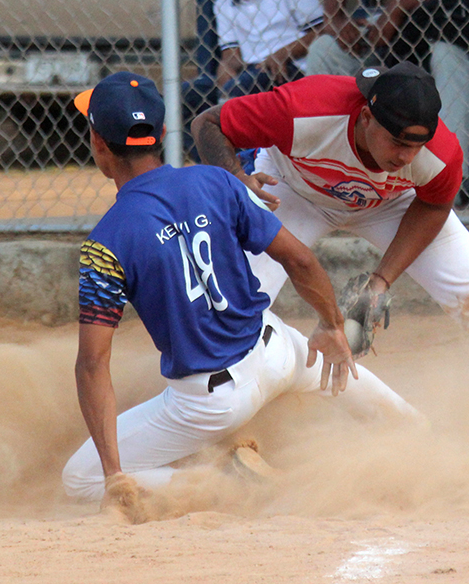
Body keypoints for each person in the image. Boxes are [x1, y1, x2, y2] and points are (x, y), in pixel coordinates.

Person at [62, 71, 419, 510]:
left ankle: (225, 483)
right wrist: (331, 325)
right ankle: (427, 440)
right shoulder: (216, 181)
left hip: (210, 404)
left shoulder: (105, 242)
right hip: (277, 352)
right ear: (163, 132)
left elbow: (92, 364)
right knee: (349, 385)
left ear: (98, 144)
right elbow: (300, 260)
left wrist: (114, 474)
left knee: (81, 479)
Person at [191, 62, 469, 393]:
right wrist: (238, 179)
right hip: (293, 189)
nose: (406, 156)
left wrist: (381, 281)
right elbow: (207, 123)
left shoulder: (440, 153)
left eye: (417, 146)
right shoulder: (306, 109)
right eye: (398, 142)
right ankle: (214, 405)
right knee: (232, 299)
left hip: (389, 202)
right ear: (367, 117)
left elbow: (433, 205)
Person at [306, 0, 469, 179]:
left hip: (458, 29)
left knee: (446, 56)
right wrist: (335, 18)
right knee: (324, 49)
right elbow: (334, 10)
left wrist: (400, 6)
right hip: (388, 32)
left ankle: (445, 177)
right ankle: (327, 170)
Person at [182, 0, 325, 160]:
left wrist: (283, 53)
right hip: (249, 70)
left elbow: (321, 30)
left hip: (289, 66)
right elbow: (230, 53)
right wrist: (226, 68)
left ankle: (247, 164)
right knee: (186, 95)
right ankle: (212, 165)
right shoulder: (224, 2)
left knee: (239, 91)